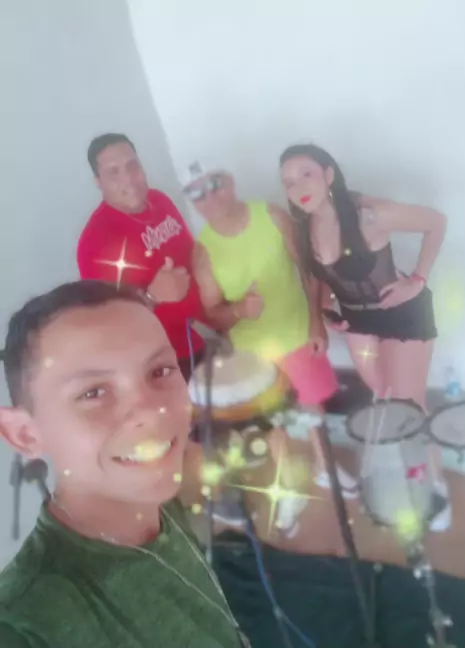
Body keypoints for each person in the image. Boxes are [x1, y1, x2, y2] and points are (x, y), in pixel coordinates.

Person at [0, 280, 248, 648]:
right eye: (93, 392)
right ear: (25, 435)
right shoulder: (23, 623)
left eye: (160, 371)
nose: (151, 411)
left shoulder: (157, 501)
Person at [279, 144, 450, 530]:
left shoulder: (369, 213)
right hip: (357, 321)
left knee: (409, 404)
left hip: (403, 316)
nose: (298, 187)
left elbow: (436, 222)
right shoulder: (305, 229)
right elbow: (322, 278)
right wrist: (326, 311)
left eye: (306, 174)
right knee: (384, 400)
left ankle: (434, 487)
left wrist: (417, 279)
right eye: (288, 182)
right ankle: (406, 476)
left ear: (328, 175)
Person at [183, 161, 357, 500]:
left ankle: (326, 466)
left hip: (296, 332)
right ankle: (286, 480)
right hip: (252, 352)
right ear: (193, 202)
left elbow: (309, 270)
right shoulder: (203, 252)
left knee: (313, 405)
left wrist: (316, 321)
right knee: (271, 419)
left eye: (215, 184)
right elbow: (214, 315)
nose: (210, 197)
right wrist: (238, 310)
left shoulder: (272, 216)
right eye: (198, 193)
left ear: (230, 181)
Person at [77, 133, 206, 381]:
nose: (128, 178)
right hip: (159, 364)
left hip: (200, 336)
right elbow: (108, 324)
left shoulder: (159, 200)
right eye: (114, 172)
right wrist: (152, 296)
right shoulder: (95, 242)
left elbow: (193, 258)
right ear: (98, 182)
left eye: (132, 165)